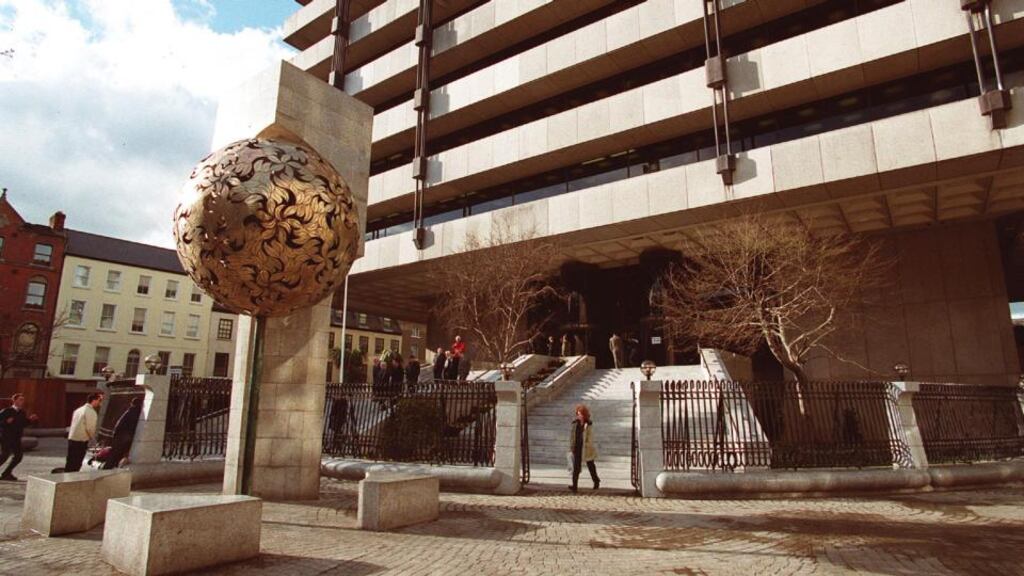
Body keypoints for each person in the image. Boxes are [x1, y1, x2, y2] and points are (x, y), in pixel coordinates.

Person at [0, 393, 38, 481]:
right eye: (20, 399)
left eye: (23, 400)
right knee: (4, 456)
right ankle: (6, 474)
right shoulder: (6, 411)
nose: (22, 401)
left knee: (18, 456)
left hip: (16, 438)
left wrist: (30, 420)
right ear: (14, 400)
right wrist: (6, 422)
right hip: (6, 437)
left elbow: (23, 424)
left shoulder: (22, 412)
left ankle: (6, 473)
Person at [65, 393, 103, 473]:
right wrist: (93, 440)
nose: (100, 403)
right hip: (80, 441)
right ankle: (72, 480)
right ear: (94, 400)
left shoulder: (78, 410)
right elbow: (89, 428)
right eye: (99, 400)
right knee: (77, 462)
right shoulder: (91, 412)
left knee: (70, 462)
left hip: (72, 439)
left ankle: (66, 477)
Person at [102, 397, 142, 470]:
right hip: (131, 436)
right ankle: (116, 467)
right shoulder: (140, 413)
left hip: (121, 436)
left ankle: (107, 468)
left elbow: (119, 424)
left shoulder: (129, 411)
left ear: (132, 403)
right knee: (121, 454)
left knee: (114, 453)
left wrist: (114, 435)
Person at [568, 403, 600, 493]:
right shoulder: (575, 424)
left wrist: (587, 445)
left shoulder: (588, 424)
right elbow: (572, 436)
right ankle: (574, 486)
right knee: (576, 467)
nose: (579, 416)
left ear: (584, 415)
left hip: (586, 448)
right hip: (577, 448)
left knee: (591, 466)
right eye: (578, 414)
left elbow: (590, 437)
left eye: (581, 414)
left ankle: (596, 481)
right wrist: (571, 446)